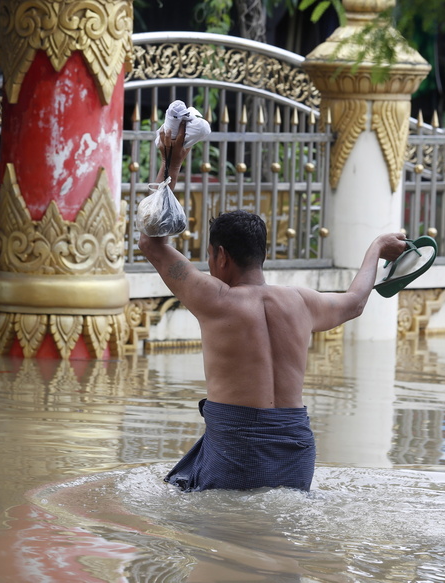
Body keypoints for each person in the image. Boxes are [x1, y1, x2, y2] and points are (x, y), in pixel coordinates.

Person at [138, 121, 408, 492]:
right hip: (296, 450)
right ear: (263, 254)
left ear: (220, 256)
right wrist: (376, 247)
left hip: (238, 451)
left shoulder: (215, 299)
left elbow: (152, 243)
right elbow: (356, 302)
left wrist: (172, 162)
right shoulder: (300, 301)